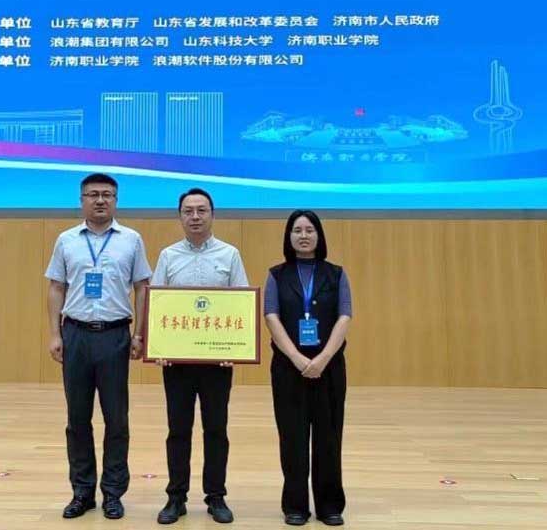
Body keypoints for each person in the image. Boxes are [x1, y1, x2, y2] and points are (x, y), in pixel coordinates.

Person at [45, 173, 151, 520]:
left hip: (114, 335)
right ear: (82, 200)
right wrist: (55, 334)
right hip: (75, 334)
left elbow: (142, 287)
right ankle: (82, 491)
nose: (100, 200)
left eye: (107, 194)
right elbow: (56, 287)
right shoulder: (66, 240)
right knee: (77, 418)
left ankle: (113, 493)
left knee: (116, 418)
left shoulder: (131, 240)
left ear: (116, 201)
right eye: (93, 194)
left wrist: (139, 334)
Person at [140, 188, 248, 525]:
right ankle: (176, 497)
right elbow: (157, 305)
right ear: (180, 217)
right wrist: (157, 347)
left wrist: (236, 349)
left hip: (217, 362)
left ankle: (216, 497)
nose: (195, 217)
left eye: (202, 210)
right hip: (177, 363)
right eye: (189, 211)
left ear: (213, 215)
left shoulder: (230, 254)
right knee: (178, 430)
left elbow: (241, 304)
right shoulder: (168, 256)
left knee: (216, 429)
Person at [263, 210, 353, 526]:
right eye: (297, 230)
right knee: (293, 438)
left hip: (329, 368)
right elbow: (271, 316)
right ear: (288, 237)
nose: (303, 235)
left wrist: (323, 358)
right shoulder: (276, 275)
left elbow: (344, 316)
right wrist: (297, 359)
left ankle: (329, 505)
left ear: (319, 235)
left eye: (309, 230)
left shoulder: (336, 274)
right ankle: (295, 505)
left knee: (329, 437)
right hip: (289, 370)